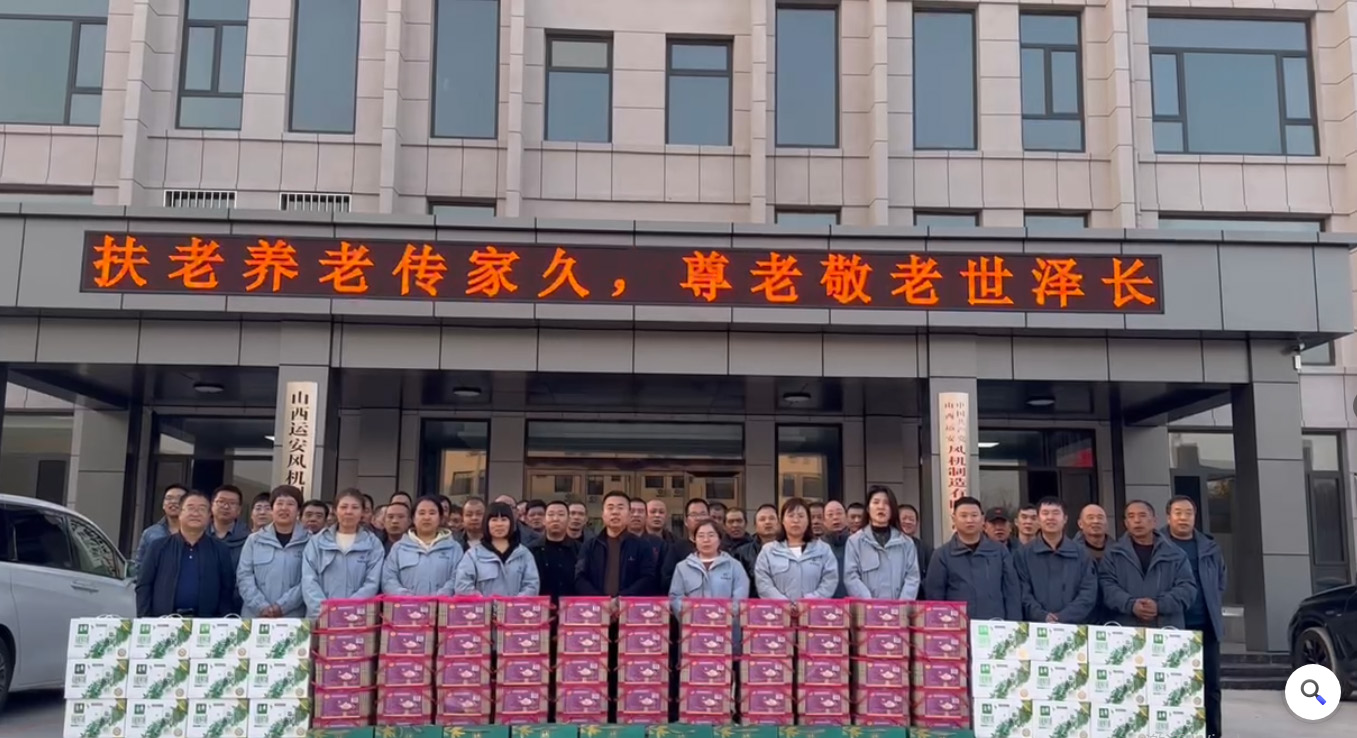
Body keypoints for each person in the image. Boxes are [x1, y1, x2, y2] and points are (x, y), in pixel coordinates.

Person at [1163, 496, 1225, 738]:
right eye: (1178, 513)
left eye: (1188, 513)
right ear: (1168, 517)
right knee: (1174, 685)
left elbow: (1220, 581)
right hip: (1172, 625)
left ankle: (1212, 733)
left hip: (1206, 625)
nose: (1183, 518)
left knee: (1211, 686)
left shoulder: (1209, 547)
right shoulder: (1159, 544)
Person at [136, 489, 236, 617]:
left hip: (206, 623)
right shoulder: (158, 547)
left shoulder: (220, 550)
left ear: (209, 515)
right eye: (190, 508)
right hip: (164, 622)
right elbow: (144, 585)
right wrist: (145, 619)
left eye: (201, 509)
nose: (195, 513)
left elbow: (227, 590)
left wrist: (223, 621)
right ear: (180, 513)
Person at [1098, 500, 1198, 628]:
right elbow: (1106, 587)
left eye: (1142, 515)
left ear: (1154, 521)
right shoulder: (1113, 554)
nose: (1137, 520)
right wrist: (1131, 605)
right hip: (1126, 630)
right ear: (1126, 523)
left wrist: (1159, 605)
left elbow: (1187, 588)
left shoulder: (1175, 554)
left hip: (1166, 629)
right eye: (1131, 516)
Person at [924, 497, 1021, 620]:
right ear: (954, 519)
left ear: (982, 519)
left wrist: (1013, 625)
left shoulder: (1000, 551)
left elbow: (1012, 593)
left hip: (993, 625)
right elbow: (935, 598)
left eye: (974, 515)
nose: (969, 520)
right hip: (958, 625)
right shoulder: (942, 555)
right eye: (963, 516)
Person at [302, 488, 385, 618]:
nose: (349, 511)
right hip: (321, 618)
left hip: (356, 618)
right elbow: (309, 580)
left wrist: (347, 610)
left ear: (362, 512)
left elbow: (372, 583)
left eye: (355, 507)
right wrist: (323, 610)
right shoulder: (317, 542)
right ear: (335, 510)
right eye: (344, 507)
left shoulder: (373, 544)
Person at [1014, 497, 1098, 624]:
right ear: (1038, 519)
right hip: (1035, 626)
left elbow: (1088, 593)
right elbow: (1022, 592)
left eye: (1056, 513)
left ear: (1065, 519)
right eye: (1045, 513)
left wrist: (1063, 617)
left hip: (1074, 627)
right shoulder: (1023, 554)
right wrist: (1042, 616)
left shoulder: (1082, 554)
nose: (1050, 518)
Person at [237, 485, 309, 618]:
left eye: (290, 504)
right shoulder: (254, 540)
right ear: (272, 508)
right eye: (279, 503)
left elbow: (309, 580)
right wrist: (261, 606)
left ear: (299, 510)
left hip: (293, 617)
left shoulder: (310, 541)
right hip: (256, 616)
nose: (284, 508)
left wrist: (282, 606)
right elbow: (244, 576)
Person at [754, 498, 839, 601]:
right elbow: (763, 583)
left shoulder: (823, 549)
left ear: (808, 521)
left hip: (813, 608)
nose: (795, 520)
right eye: (791, 516)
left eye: (801, 516)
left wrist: (809, 601)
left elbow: (830, 580)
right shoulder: (768, 551)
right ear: (782, 521)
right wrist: (783, 603)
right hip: (779, 609)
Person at [844, 486, 921, 600]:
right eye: (876, 502)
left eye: (886, 503)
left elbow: (912, 577)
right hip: (866, 608)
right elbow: (851, 577)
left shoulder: (906, 543)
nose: (881, 507)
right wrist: (870, 603)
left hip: (899, 608)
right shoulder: (855, 541)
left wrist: (902, 604)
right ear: (868, 508)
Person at [576, 491, 659, 596]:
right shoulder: (590, 546)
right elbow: (580, 578)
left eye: (620, 508)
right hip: (596, 604)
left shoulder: (642, 546)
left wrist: (621, 599)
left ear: (629, 514)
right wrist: (600, 600)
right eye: (610, 508)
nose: (615, 512)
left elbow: (647, 578)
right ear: (603, 514)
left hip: (629, 604)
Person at [381, 496, 463, 596]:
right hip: (406, 604)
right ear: (413, 518)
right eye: (421, 513)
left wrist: (440, 597)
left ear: (440, 518)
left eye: (432, 513)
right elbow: (388, 579)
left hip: (442, 604)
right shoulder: (398, 548)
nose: (426, 517)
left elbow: (458, 577)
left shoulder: (454, 548)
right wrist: (406, 597)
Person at [455, 501, 541, 596]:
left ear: (511, 523)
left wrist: (513, 603)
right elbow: (463, 586)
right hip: (483, 605)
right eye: (494, 520)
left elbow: (532, 585)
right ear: (486, 523)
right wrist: (487, 602)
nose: (499, 524)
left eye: (504, 519)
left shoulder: (523, 554)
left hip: (517, 606)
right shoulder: (473, 555)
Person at [670, 520, 750, 612]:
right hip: (693, 620)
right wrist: (691, 614)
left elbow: (740, 597)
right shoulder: (682, 567)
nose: (706, 540)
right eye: (701, 536)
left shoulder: (734, 566)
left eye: (711, 535)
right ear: (695, 540)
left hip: (726, 619)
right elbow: (676, 597)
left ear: (720, 539)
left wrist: (724, 615)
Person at [530, 500, 579, 600]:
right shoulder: (531, 550)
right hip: (540, 606)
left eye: (561, 514)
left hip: (571, 606)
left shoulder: (580, 549)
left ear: (569, 520)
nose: (555, 519)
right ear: (544, 520)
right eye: (551, 514)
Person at [660, 498, 710, 593]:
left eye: (703, 514)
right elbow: (667, 580)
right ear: (686, 521)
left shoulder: (720, 547)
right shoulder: (676, 548)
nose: (699, 518)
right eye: (694, 515)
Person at [133, 484, 186, 573]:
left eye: (179, 498)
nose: (173, 502)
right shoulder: (150, 533)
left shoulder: (197, 532)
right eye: (169, 498)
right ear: (163, 505)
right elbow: (140, 567)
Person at [734, 503, 780, 593]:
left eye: (772, 518)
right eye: (762, 519)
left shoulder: (789, 549)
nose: (767, 522)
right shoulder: (742, 553)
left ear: (779, 524)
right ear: (755, 526)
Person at [209, 485, 250, 567]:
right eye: (221, 501)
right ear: (211, 505)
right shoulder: (198, 533)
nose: (226, 506)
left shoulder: (248, 539)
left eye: (232, 503)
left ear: (239, 510)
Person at [899, 503, 932, 579]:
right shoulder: (887, 546)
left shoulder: (925, 549)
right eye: (904, 518)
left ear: (917, 524)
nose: (908, 522)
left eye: (911, 519)